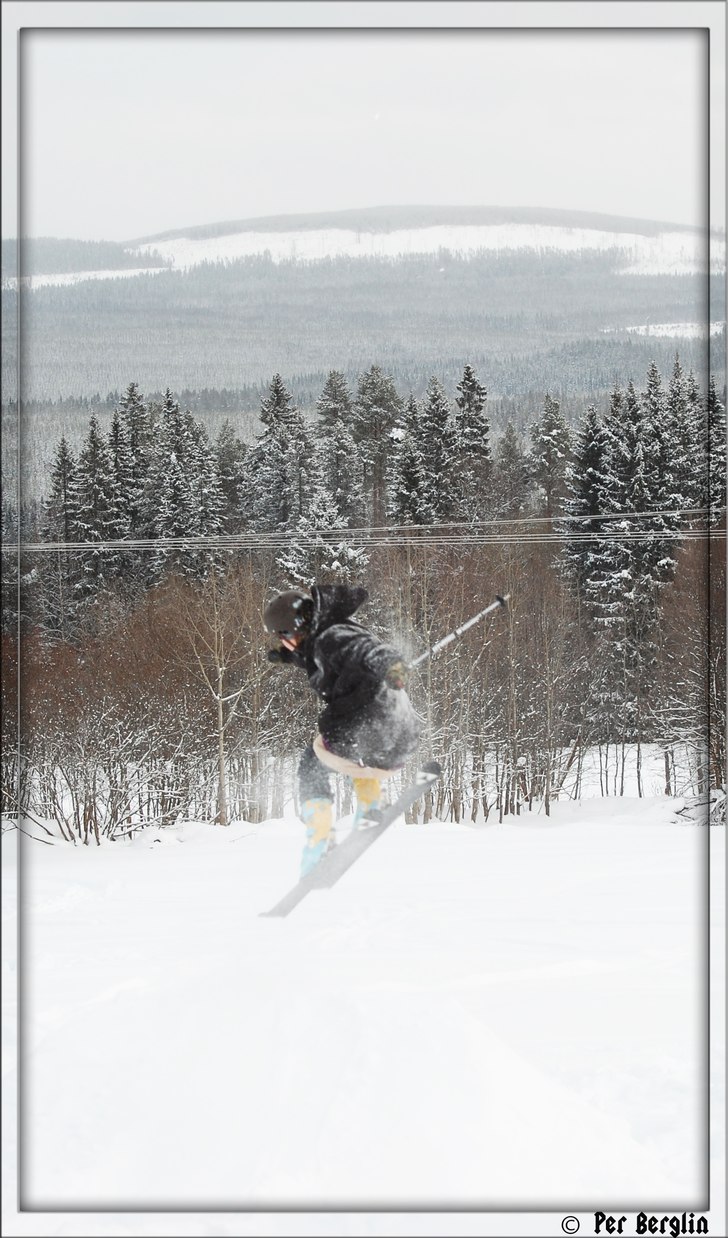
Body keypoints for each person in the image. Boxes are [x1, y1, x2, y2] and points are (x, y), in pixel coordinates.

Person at [263, 583, 422, 875]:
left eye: (281, 637)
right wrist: (286, 657)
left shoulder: (333, 636)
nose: (282, 643)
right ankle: (371, 807)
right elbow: (321, 657)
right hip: (397, 733)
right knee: (354, 757)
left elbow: (370, 651)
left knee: (313, 762)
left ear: (292, 631)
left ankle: (320, 841)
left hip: (373, 722)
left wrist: (393, 665)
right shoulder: (323, 636)